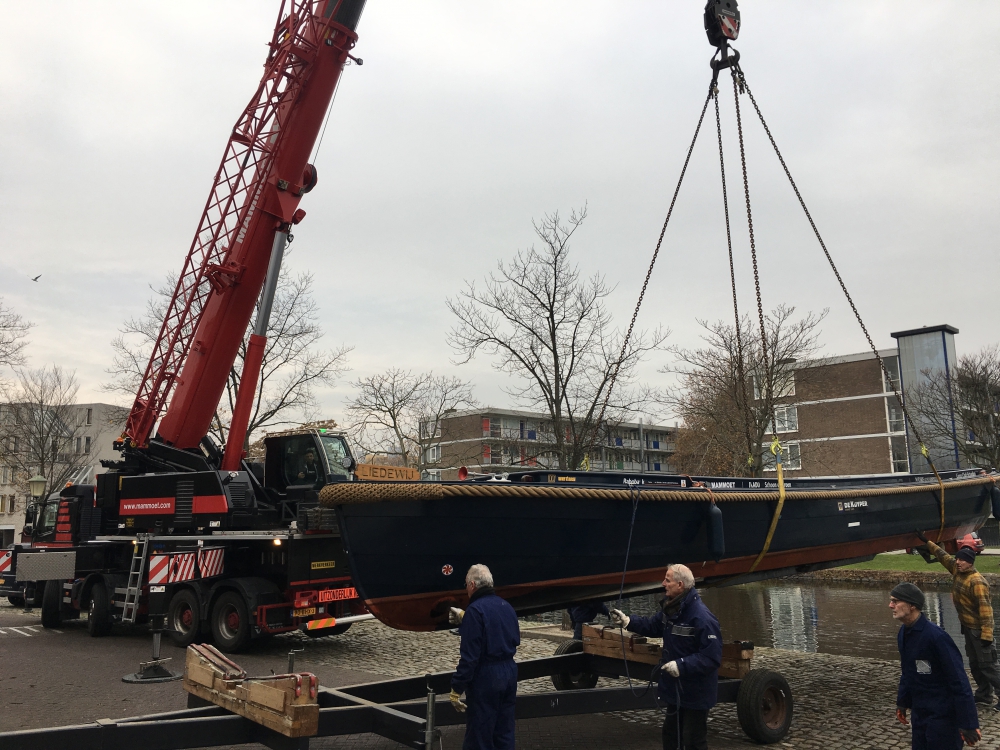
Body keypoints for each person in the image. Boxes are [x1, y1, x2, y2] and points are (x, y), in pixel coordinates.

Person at [609, 564, 721, 750]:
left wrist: (681, 665)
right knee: (670, 737)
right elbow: (653, 626)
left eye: (667, 580)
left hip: (695, 692)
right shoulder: (672, 609)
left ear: (679, 585)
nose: (663, 583)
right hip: (676, 690)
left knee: (694, 741)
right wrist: (628, 622)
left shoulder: (702, 618)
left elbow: (711, 657)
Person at [890, 581, 980, 749]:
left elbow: (959, 681)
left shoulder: (937, 637)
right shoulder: (903, 633)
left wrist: (968, 723)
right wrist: (902, 701)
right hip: (920, 714)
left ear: (912, 606)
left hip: (944, 717)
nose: (890, 605)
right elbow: (907, 671)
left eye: (896, 601)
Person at [918, 530, 1000, 707]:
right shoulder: (957, 570)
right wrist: (928, 542)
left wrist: (987, 636)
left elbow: (986, 612)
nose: (958, 561)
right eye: (958, 559)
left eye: (962, 560)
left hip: (980, 632)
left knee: (988, 666)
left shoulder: (977, 582)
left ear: (970, 563)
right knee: (975, 664)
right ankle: (984, 695)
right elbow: (944, 556)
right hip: (968, 628)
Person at [448, 564, 520, 750]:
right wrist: (467, 619)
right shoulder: (506, 606)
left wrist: (457, 687)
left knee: (480, 734)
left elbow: (470, 657)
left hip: (487, 676)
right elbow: (500, 631)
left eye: (465, 585)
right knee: (504, 731)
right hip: (509, 672)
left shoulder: (475, 611)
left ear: (472, 584)